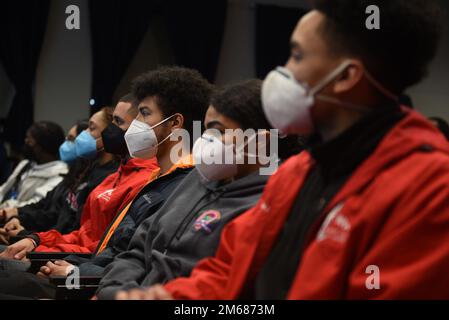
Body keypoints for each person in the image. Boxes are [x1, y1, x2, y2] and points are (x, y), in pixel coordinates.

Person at [132, 0, 449, 300]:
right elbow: (228, 270)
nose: (281, 72)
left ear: (347, 76)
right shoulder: (300, 172)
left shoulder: (429, 189)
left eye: (297, 56)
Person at [0, 66, 213, 299]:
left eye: (144, 113)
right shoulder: (157, 178)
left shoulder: (181, 188)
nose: (135, 124)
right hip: (88, 274)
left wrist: (76, 272)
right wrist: (45, 246)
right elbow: (106, 248)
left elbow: (141, 265)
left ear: (174, 124)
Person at [94, 79, 303, 300]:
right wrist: (115, 291)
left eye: (218, 131)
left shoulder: (270, 203)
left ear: (260, 142)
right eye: (205, 130)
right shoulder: (196, 179)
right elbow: (137, 250)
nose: (205, 141)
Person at [0, 100, 159, 264]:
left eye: (117, 122)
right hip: (64, 253)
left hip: (74, 267)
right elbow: (81, 233)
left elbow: (103, 251)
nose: (110, 129)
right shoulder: (98, 173)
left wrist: (38, 249)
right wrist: (34, 239)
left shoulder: (138, 180)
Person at [0, 111, 119, 244]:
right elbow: (51, 209)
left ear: (109, 133)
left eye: (91, 128)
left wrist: (26, 235)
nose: (81, 138)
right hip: (45, 241)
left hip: (55, 249)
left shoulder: (105, 178)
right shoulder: (84, 172)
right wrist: (19, 218)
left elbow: (72, 229)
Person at [0, 121, 67, 209]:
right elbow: (4, 189)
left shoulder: (59, 173)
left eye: (29, 140)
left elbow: (36, 204)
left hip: (21, 217)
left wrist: (7, 207)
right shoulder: (26, 164)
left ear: (42, 146)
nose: (26, 142)